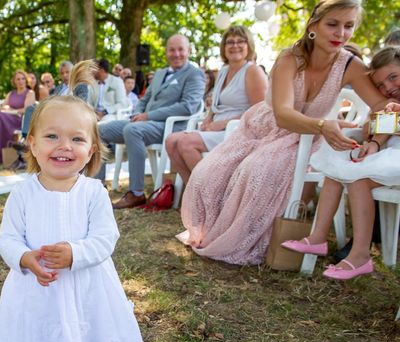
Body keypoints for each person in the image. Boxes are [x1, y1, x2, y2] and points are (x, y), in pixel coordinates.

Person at [0, 92, 151, 342]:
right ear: (31, 142)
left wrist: (76, 253)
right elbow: (7, 238)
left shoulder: (93, 192)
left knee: (81, 338)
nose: (64, 146)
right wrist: (25, 258)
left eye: (77, 138)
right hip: (36, 293)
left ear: (92, 149)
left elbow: (106, 238)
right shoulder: (23, 193)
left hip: (84, 289)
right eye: (52, 137)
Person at [178, 0, 389, 265]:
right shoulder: (291, 58)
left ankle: (258, 238)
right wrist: (323, 126)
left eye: (348, 26)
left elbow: (383, 106)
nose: (341, 34)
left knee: (258, 169)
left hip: (307, 136)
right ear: (313, 25)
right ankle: (214, 230)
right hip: (267, 127)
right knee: (209, 172)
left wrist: (376, 141)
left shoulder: (350, 65)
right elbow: (283, 114)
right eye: (333, 24)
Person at [282, 46, 400, 279]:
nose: (388, 88)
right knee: (340, 162)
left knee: (355, 175)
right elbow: (375, 132)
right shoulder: (388, 103)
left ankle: (360, 255)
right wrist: (375, 135)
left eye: (393, 77)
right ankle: (318, 237)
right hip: (388, 152)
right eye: (381, 86)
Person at [99, 34, 205, 208]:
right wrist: (138, 114)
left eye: (181, 49)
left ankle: (137, 193)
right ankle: (97, 188)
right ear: (166, 52)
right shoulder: (160, 73)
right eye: (172, 49)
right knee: (99, 131)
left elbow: (187, 107)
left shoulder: (194, 74)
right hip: (143, 123)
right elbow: (144, 99)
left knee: (133, 131)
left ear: (188, 51)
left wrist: (148, 116)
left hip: (170, 127)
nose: (176, 54)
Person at [165, 25, 268, 188]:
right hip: (217, 129)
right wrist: (208, 118)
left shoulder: (252, 71)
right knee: (171, 141)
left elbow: (260, 112)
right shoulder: (224, 71)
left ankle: (212, 193)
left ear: (249, 45)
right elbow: (216, 104)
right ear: (224, 47)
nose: (235, 45)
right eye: (230, 42)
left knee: (186, 143)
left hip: (239, 131)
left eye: (240, 41)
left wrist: (222, 124)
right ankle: (195, 193)